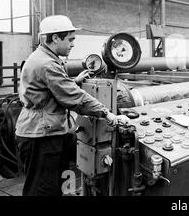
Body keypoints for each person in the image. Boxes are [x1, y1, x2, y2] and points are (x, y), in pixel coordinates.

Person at [15, 15, 128, 196]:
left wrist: (74, 81)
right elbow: (75, 98)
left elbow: (51, 90)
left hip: (44, 131)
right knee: (42, 190)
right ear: (55, 38)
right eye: (70, 39)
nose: (73, 44)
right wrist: (108, 114)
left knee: (51, 186)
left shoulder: (43, 57)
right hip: (42, 136)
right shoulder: (47, 64)